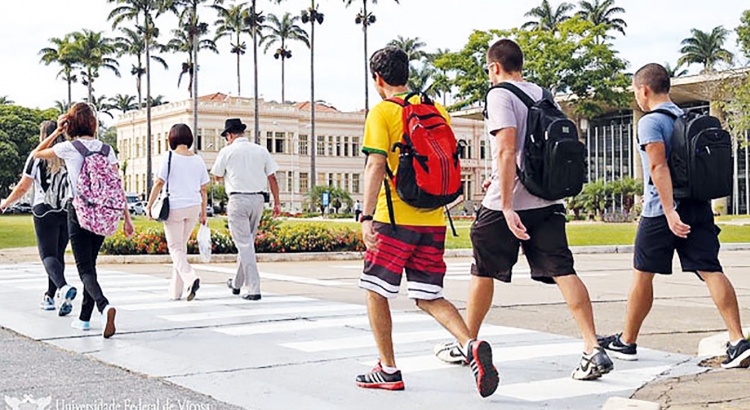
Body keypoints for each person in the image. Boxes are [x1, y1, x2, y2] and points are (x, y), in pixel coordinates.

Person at [434, 39, 613, 381]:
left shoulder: (499, 94)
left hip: (510, 204)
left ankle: (467, 342)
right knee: (563, 270)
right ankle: (593, 348)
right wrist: (495, 178)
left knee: (482, 270)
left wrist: (504, 203)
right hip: (547, 200)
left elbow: (507, 148)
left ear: (494, 67)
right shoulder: (543, 93)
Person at [356, 47, 499, 397]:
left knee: (375, 290)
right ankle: (469, 346)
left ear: (378, 79)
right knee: (429, 295)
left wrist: (366, 215)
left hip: (394, 220)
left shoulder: (383, 112)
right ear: (406, 73)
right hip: (433, 218)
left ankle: (388, 369)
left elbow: (375, 166)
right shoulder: (437, 110)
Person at [598, 63, 750, 368]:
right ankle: (737, 340)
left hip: (662, 212)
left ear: (643, 90)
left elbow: (658, 167)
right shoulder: (686, 118)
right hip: (698, 205)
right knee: (710, 269)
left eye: (635, 91)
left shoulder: (650, 122)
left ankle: (627, 341)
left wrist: (668, 211)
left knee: (643, 274)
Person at [31, 103, 134, 338]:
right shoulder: (107, 150)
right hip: (104, 212)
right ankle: (84, 318)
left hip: (78, 212)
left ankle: (103, 305)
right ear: (94, 124)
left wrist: (57, 132)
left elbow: (37, 153)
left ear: (72, 124)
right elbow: (118, 186)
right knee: (91, 265)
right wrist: (126, 218)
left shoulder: (70, 148)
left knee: (84, 269)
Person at [0, 121, 77, 316]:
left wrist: (5, 203)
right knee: (58, 256)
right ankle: (50, 297)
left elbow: (23, 187)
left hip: (44, 210)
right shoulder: (69, 154)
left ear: (43, 136)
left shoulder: (36, 157)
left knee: (47, 256)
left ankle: (62, 288)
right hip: (65, 209)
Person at [211, 118, 280, 301]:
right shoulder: (260, 150)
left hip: (238, 199)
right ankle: (236, 283)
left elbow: (217, 176)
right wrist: (277, 202)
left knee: (244, 244)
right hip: (258, 199)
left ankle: (254, 288)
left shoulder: (227, 151)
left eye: (226, 136)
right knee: (247, 243)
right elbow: (272, 178)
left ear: (230, 134)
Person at [146, 124, 209, 302]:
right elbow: (204, 189)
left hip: (174, 206)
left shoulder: (169, 157)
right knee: (181, 248)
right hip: (194, 206)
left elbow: (159, 182)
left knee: (175, 248)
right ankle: (176, 292)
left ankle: (191, 278)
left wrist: (149, 205)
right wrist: (204, 213)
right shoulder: (198, 160)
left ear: (172, 138)